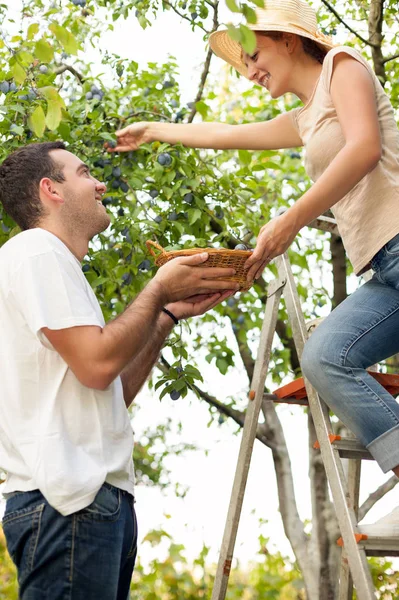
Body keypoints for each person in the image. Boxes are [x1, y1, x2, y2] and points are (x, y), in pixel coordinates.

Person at [110, 0, 399, 536]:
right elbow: (226, 133)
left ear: (289, 40)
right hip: (385, 270)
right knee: (325, 357)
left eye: (254, 53)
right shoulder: (306, 116)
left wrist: (289, 221)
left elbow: (363, 149)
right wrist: (155, 130)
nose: (249, 70)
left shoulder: (344, 67)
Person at [0, 141, 239, 599]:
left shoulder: (54, 266)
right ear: (51, 190)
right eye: (86, 173)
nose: (101, 183)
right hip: (66, 506)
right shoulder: (36, 252)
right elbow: (97, 364)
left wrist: (165, 314)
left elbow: (108, 385)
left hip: (90, 506)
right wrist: (156, 290)